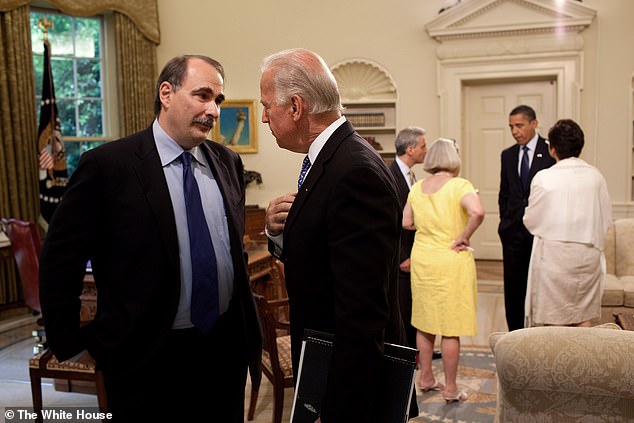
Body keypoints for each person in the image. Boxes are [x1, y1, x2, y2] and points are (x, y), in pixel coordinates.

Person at [39, 55, 262, 421]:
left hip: (224, 351)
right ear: (167, 93)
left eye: (218, 100)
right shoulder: (108, 166)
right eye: (203, 95)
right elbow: (59, 261)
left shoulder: (227, 161)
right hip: (144, 359)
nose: (213, 110)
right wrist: (72, 344)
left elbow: (229, 247)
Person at [261, 48, 406, 423]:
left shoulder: (354, 170)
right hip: (324, 360)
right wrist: (278, 232)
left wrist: (337, 405)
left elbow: (362, 312)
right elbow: (323, 257)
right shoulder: (330, 159)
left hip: (346, 384)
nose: (263, 118)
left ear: (296, 107)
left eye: (266, 106)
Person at [403, 138, 484, 403]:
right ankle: (450, 388)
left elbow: (406, 222)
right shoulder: (460, 185)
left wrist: (428, 230)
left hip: (424, 259)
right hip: (451, 259)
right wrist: (462, 236)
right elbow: (478, 212)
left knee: (425, 323)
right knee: (450, 327)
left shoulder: (416, 187)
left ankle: (425, 378)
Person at [523, 119, 612, 327]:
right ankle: (581, 360)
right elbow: (606, 218)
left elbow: (531, 221)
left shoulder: (544, 177)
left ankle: (557, 360)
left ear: (552, 149)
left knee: (553, 319)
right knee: (582, 316)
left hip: (555, 256)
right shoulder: (595, 177)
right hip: (588, 253)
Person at [498, 105, 555, 331]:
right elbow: (505, 193)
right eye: (511, 126)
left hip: (541, 231)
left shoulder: (550, 151)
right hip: (512, 232)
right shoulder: (508, 155)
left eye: (519, 125)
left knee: (540, 286)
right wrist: (505, 223)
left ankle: (538, 334)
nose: (514, 131)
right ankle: (515, 334)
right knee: (513, 288)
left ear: (534, 123)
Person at [388, 126, 427, 418]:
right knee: (401, 309)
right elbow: (389, 220)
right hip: (400, 258)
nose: (425, 150)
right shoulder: (391, 173)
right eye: (422, 146)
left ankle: (412, 356)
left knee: (411, 308)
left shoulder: (413, 176)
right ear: (410, 148)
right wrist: (402, 256)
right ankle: (404, 358)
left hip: (415, 256)